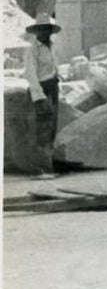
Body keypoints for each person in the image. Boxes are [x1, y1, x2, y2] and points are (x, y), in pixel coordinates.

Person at [22, 13, 62, 177]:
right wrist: (39, 97)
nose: (44, 33)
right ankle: (38, 168)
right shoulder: (32, 50)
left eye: (47, 29)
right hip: (41, 90)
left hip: (53, 88)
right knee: (41, 129)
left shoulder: (52, 47)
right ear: (37, 32)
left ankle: (48, 166)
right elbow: (31, 74)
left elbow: (54, 68)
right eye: (41, 30)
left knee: (51, 127)